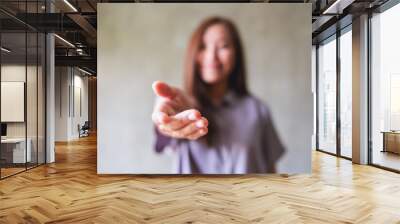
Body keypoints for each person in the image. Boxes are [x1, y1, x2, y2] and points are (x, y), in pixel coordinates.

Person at [151, 16, 285, 174]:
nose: (211, 56)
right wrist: (165, 119)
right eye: (203, 46)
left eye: (223, 46)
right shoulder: (182, 107)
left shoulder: (259, 110)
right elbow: (164, 138)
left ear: (236, 53)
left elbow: (271, 170)